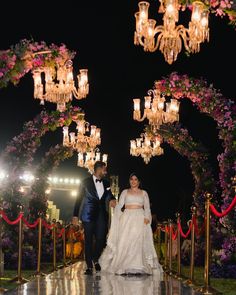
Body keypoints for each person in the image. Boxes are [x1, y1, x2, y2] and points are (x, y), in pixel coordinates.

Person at [99, 173, 163, 278]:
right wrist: (115, 208)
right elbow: (120, 206)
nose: (133, 181)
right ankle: (124, 265)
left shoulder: (144, 193)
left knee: (138, 241)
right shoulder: (125, 192)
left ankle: (139, 266)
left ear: (139, 181)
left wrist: (147, 217)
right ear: (129, 181)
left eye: (135, 179)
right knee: (126, 241)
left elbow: (147, 207)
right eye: (131, 179)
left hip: (140, 218)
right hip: (127, 218)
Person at [73, 161, 116, 275]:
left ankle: (95, 258)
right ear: (99, 169)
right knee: (88, 241)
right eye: (104, 169)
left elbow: (109, 193)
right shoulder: (85, 182)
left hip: (102, 215)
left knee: (101, 239)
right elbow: (78, 199)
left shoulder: (106, 183)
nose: (105, 171)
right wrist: (75, 215)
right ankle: (89, 266)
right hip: (88, 214)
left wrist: (112, 199)